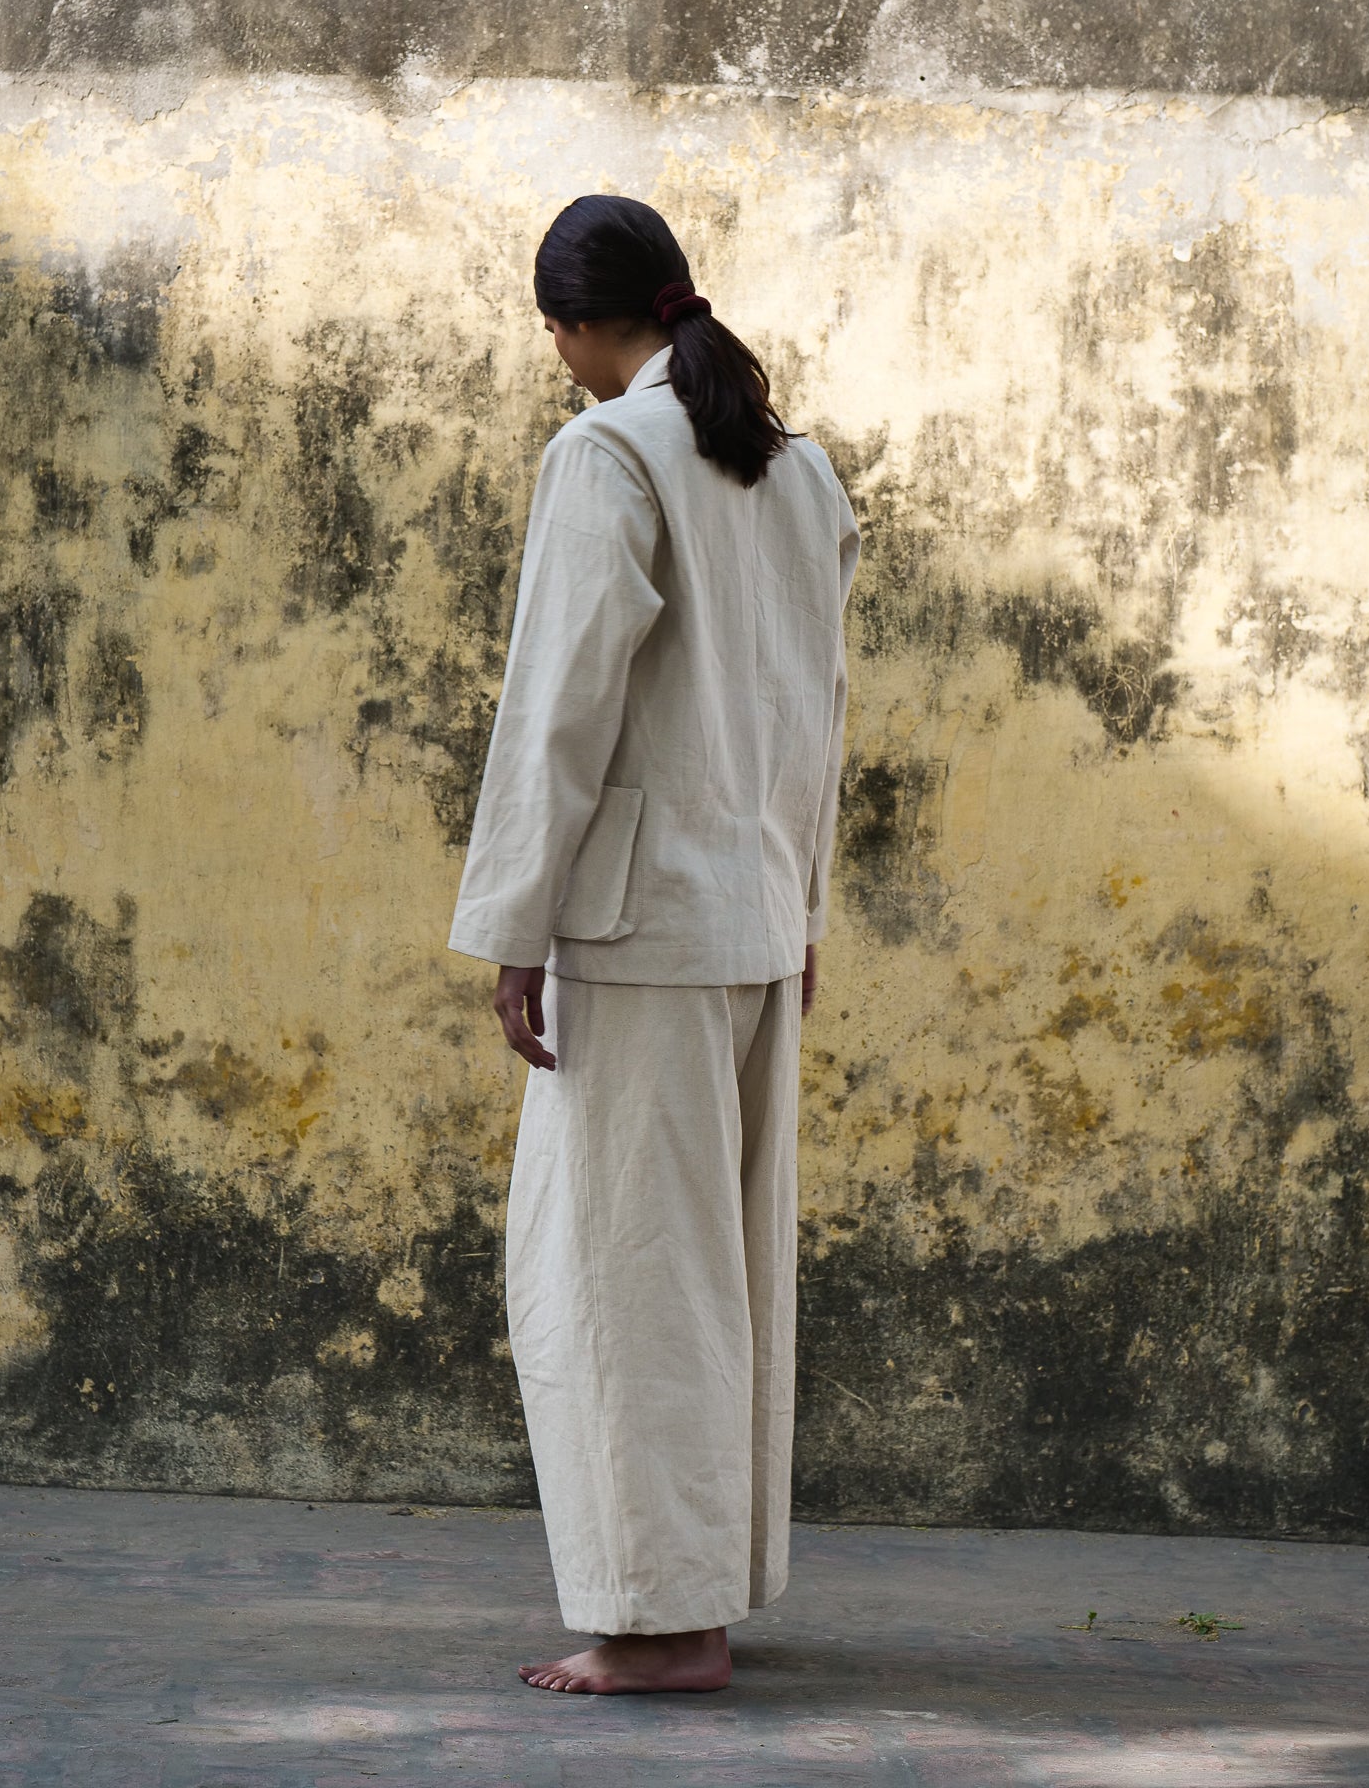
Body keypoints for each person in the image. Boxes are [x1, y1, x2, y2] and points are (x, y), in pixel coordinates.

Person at [448, 195, 860, 1695]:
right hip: (749, 922)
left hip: (632, 928)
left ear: (569, 325)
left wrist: (513, 928)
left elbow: (557, 708)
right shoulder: (794, 469)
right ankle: (700, 1592)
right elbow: (814, 717)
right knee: (723, 1277)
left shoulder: (607, 452)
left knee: (623, 1281)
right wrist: (801, 907)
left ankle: (664, 1621)